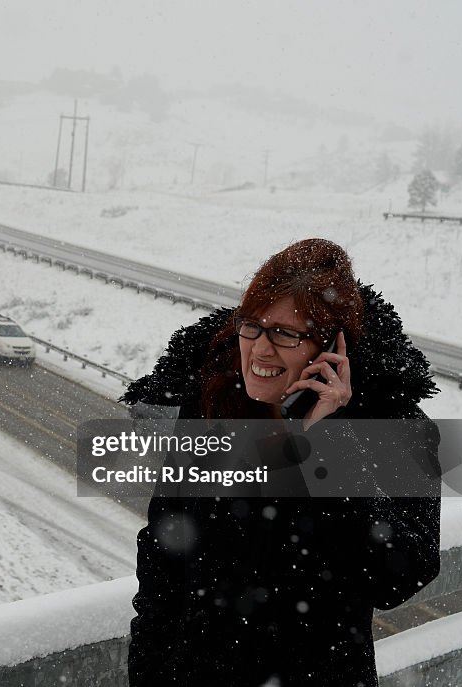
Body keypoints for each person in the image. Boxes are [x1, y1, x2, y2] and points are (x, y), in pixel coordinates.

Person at [121, 239, 441, 687]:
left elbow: (400, 576)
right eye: (252, 325)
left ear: (333, 345)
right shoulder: (215, 404)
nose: (260, 350)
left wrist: (326, 447)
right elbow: (162, 558)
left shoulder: (389, 425)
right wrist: (150, 672)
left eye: (286, 334)